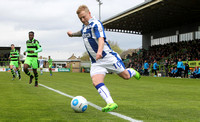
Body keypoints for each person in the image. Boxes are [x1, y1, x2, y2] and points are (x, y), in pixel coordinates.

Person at [67, 5, 141, 112]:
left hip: (108, 58)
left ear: (89, 13)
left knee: (126, 76)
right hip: (96, 62)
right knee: (96, 81)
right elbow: (81, 32)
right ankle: (110, 103)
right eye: (80, 19)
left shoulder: (96, 24)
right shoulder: (85, 26)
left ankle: (132, 72)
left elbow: (101, 39)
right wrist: (72, 35)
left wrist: (99, 52)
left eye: (84, 17)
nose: (82, 20)